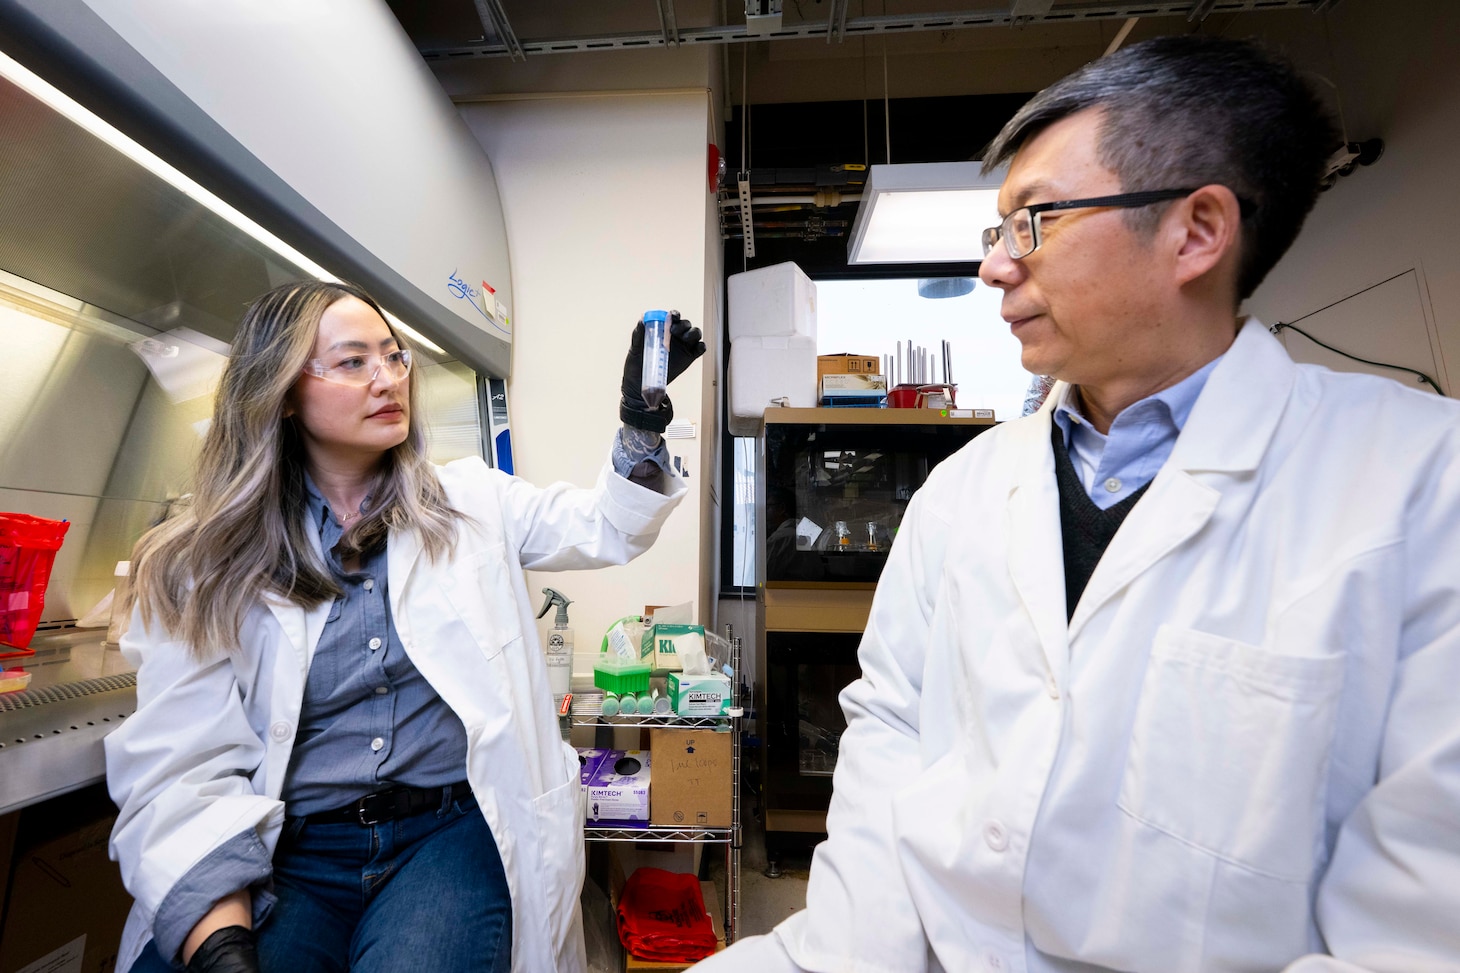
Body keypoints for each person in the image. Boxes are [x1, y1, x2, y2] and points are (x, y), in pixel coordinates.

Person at [699, 34, 1460, 973]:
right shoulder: (962, 490)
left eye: (1035, 220)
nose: (994, 267)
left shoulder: (1423, 486)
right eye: (997, 231)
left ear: (1196, 230)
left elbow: (1419, 928)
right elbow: (890, 732)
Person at [105, 280, 705, 973]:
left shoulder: (472, 501)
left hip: (446, 836)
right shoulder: (202, 561)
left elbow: (605, 526)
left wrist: (639, 425)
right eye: (353, 361)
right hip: (288, 851)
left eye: (393, 356)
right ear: (282, 391)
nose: (388, 378)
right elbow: (183, 764)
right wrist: (221, 942)